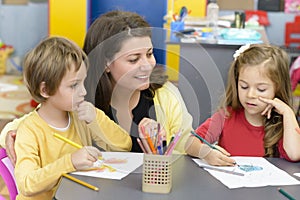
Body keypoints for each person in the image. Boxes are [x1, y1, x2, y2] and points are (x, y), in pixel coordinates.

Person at [0, 10, 192, 163]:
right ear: (106, 63)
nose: (147, 65)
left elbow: (184, 143)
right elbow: (30, 122)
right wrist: (10, 133)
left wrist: (204, 150)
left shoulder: (165, 95)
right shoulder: (80, 97)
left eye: (149, 54)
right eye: (133, 59)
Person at [13, 36, 132, 199]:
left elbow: (124, 146)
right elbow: (26, 184)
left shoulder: (80, 116)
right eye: (74, 85)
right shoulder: (29, 130)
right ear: (45, 90)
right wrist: (70, 162)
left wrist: (95, 120)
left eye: (83, 82)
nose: (83, 91)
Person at [185, 44, 300, 166]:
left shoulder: (283, 123)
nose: (250, 95)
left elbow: (295, 154)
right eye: (244, 86)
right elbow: (189, 144)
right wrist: (206, 153)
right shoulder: (225, 116)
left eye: (261, 89)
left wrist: (288, 113)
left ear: (277, 89)